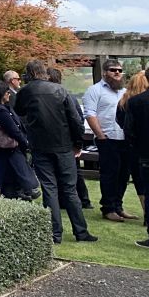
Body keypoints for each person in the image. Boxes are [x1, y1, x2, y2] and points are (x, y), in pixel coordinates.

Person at [14, 59, 96, 244]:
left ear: (29, 73)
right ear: (44, 72)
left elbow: (19, 112)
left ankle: (55, 234)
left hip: (40, 146)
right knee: (70, 189)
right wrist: (78, 143)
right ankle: (81, 232)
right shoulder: (60, 90)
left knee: (49, 189)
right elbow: (75, 120)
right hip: (63, 145)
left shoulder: (25, 91)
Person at [83, 59, 137, 222]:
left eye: (120, 71)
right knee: (109, 174)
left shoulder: (124, 92)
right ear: (105, 72)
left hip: (124, 139)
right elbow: (90, 114)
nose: (117, 73)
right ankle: (108, 208)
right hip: (107, 138)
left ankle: (118, 206)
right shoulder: (95, 90)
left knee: (123, 174)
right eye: (113, 70)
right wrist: (101, 136)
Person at [0, 80, 40, 200]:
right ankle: (28, 189)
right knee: (16, 175)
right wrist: (25, 143)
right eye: (7, 92)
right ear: (1, 94)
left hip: (7, 149)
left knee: (11, 179)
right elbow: (14, 130)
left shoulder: (0, 108)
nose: (9, 94)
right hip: (9, 148)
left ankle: (25, 191)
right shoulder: (0, 110)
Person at [121, 64, 149, 249]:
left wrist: (137, 146)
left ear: (148, 79)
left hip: (147, 155)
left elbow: (129, 130)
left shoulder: (136, 102)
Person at [48, 67, 92, 210]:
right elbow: (78, 119)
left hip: (61, 140)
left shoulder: (54, 97)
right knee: (75, 172)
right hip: (71, 140)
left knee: (60, 173)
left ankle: (65, 201)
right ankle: (84, 200)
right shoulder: (70, 96)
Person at [116, 70, 148, 215]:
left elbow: (121, 122)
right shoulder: (144, 102)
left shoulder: (123, 102)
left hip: (131, 146)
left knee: (139, 181)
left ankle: (147, 212)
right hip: (147, 146)